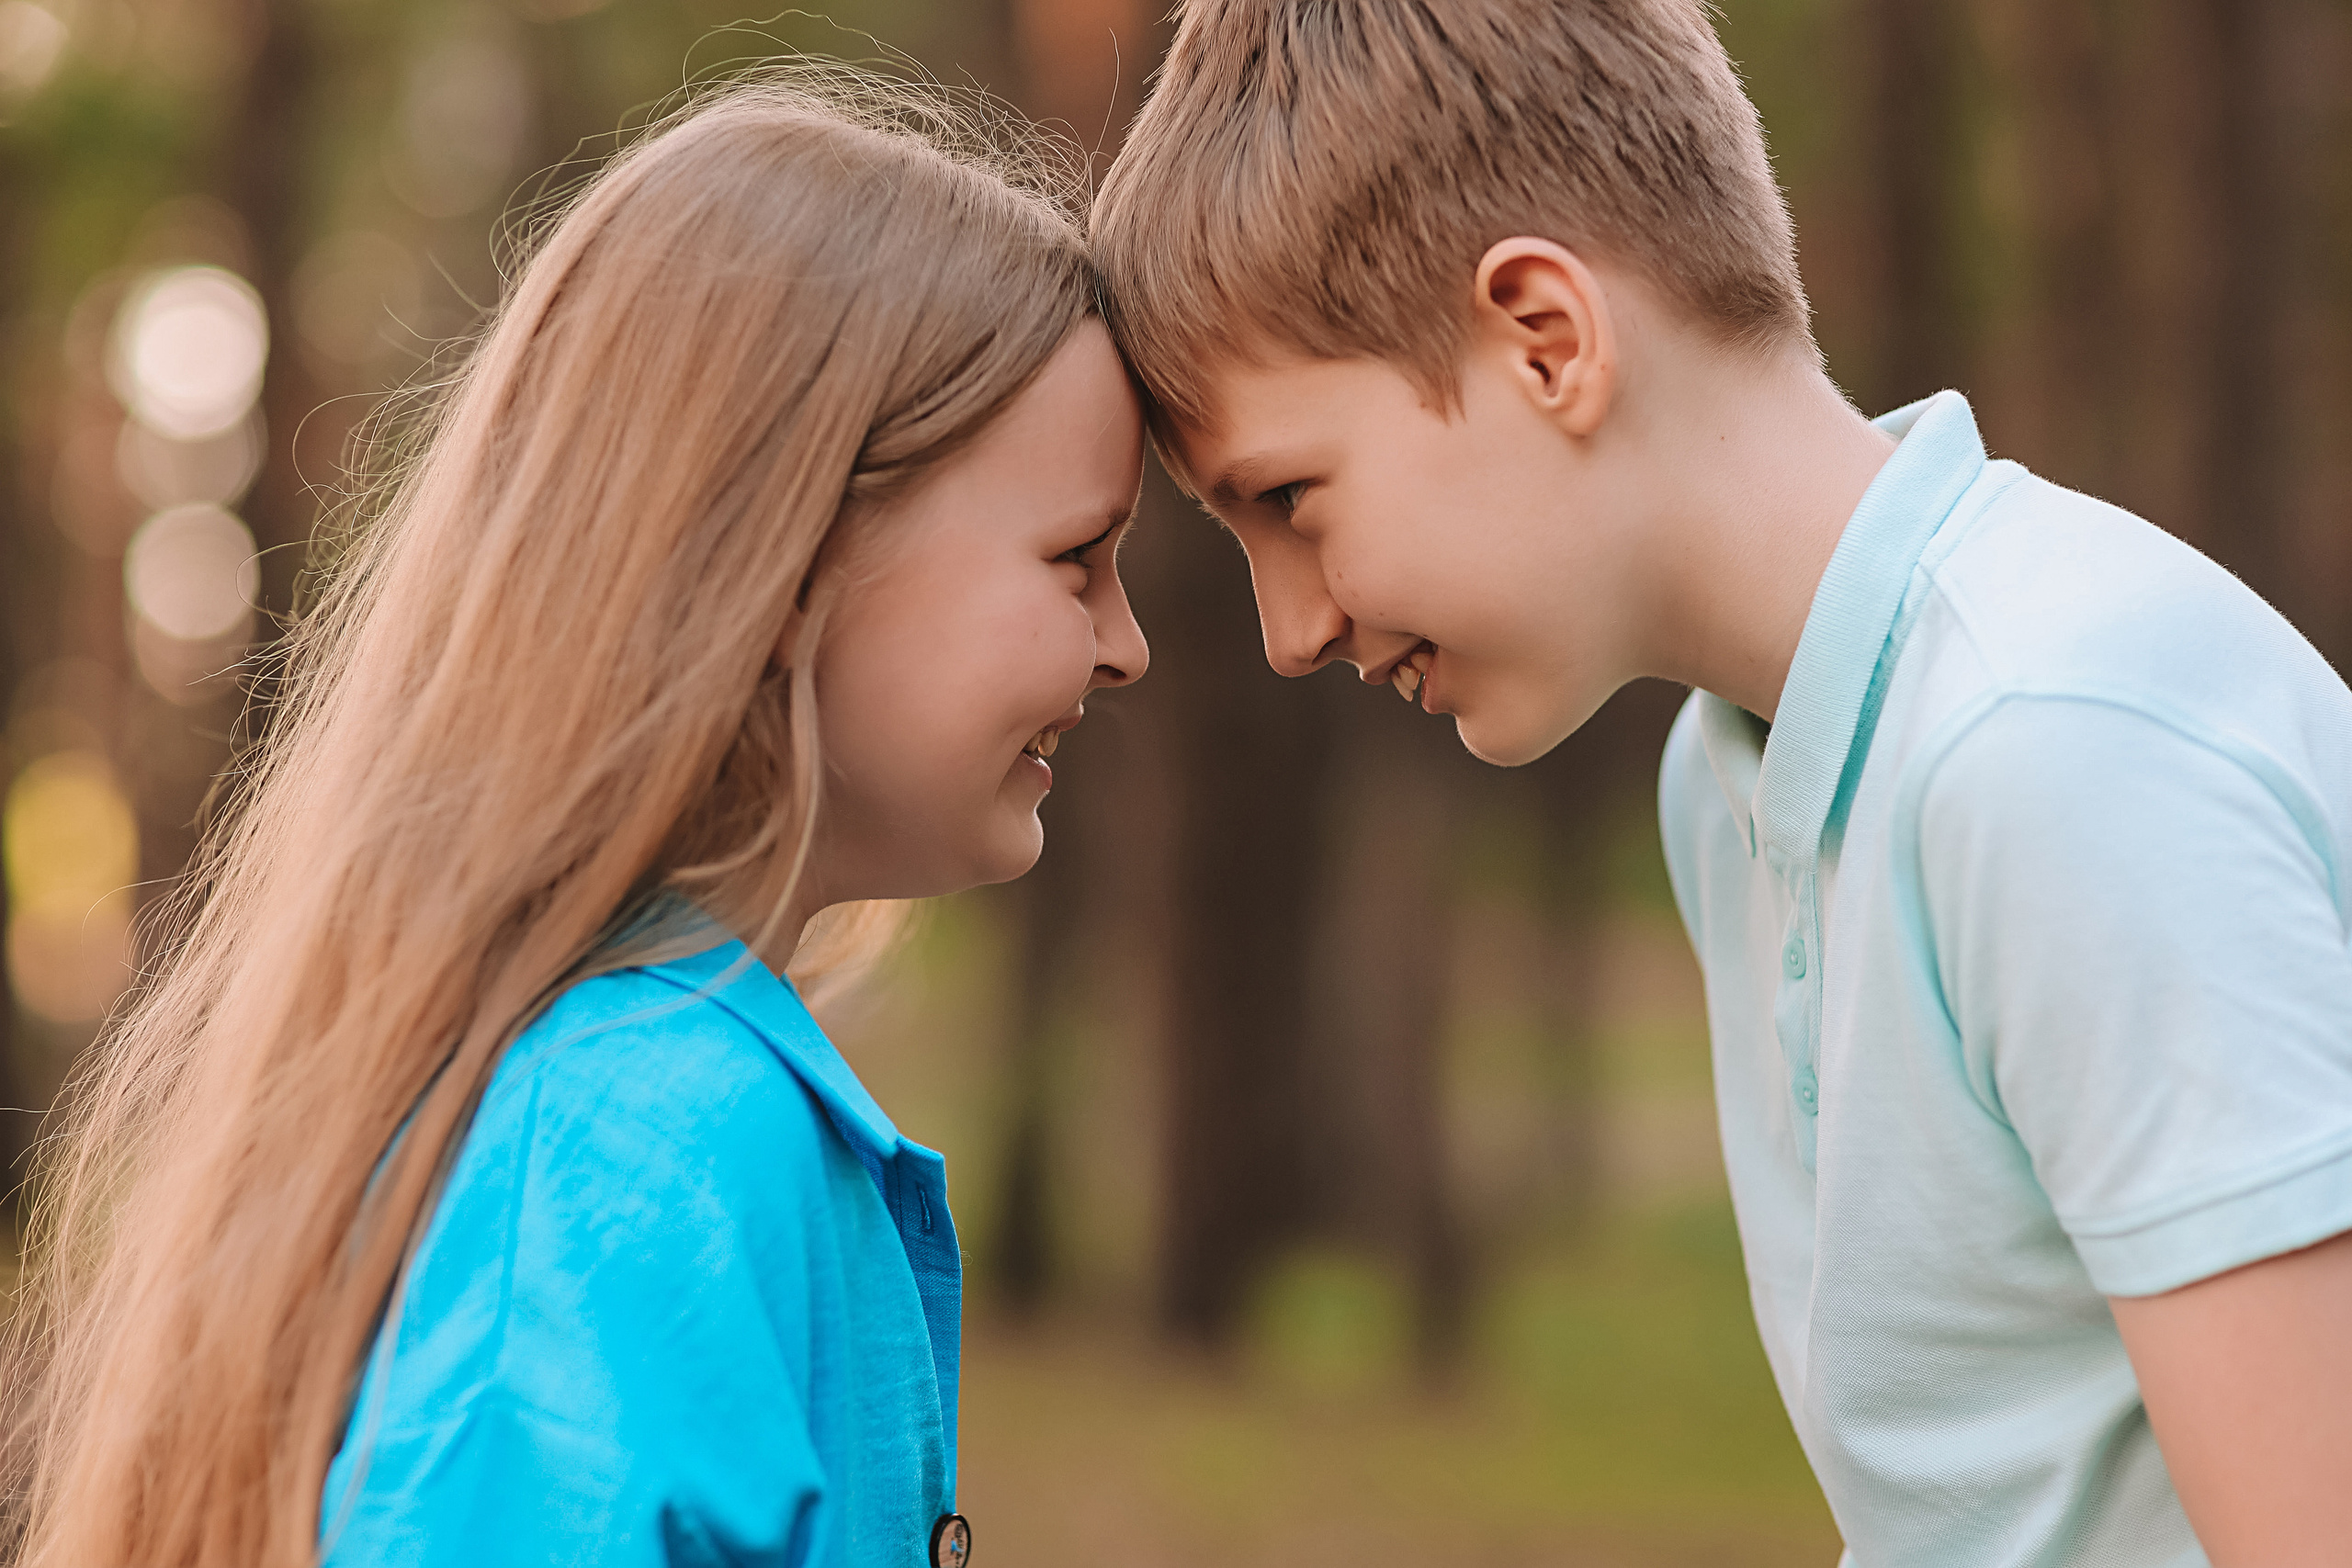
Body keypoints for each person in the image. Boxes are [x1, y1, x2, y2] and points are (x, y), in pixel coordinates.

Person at [1088, 3, 2352, 1564]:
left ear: (1547, 338)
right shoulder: (1732, 782)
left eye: (1288, 500)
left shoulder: (2054, 745)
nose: (1291, 630)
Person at [12, 75, 1148, 1568]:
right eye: (1077, 562)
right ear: (794, 557)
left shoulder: (663, 1109)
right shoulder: (639, 1140)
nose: (1126, 645)